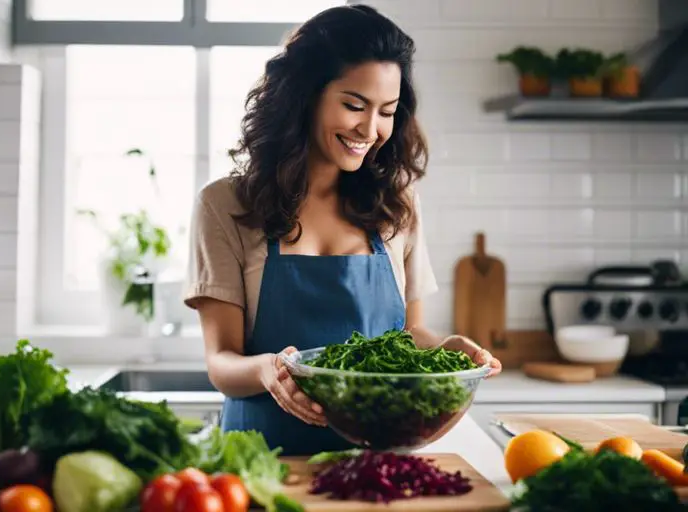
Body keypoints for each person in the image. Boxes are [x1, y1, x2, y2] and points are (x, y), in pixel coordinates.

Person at [183, 4, 502, 456]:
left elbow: (410, 334)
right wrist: (267, 371)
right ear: (305, 95)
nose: (369, 130)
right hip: (262, 460)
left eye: (386, 112)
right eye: (354, 105)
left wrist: (448, 351)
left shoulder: (399, 205)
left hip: (378, 461)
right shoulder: (226, 206)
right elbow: (221, 361)